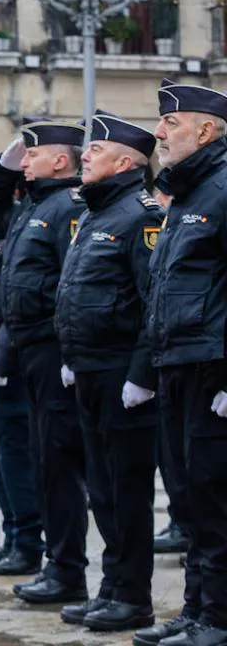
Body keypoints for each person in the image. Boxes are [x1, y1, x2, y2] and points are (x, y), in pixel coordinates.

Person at [52, 111, 162, 633]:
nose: (85, 156)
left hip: (122, 377)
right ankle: (111, 588)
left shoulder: (139, 216)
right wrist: (73, 361)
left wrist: (140, 375)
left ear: (125, 162)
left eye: (95, 151)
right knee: (100, 488)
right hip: (90, 371)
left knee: (126, 490)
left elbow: (152, 303)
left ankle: (133, 595)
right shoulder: (96, 213)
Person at [136, 82, 227, 646]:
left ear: (207, 131)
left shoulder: (221, 189)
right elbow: (163, 288)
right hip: (178, 361)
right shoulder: (188, 195)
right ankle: (196, 611)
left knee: (216, 497)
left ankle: (217, 618)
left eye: (172, 123)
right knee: (189, 497)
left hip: (213, 368)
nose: (160, 133)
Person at [0, 119, 88, 605]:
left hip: (52, 350)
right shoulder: (34, 206)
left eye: (33, 154)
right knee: (43, 462)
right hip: (28, 350)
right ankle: (58, 564)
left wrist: (67, 353)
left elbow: (71, 286)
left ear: (60, 161)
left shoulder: (68, 206)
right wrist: (13, 150)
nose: (23, 163)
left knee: (59, 464)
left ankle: (68, 569)